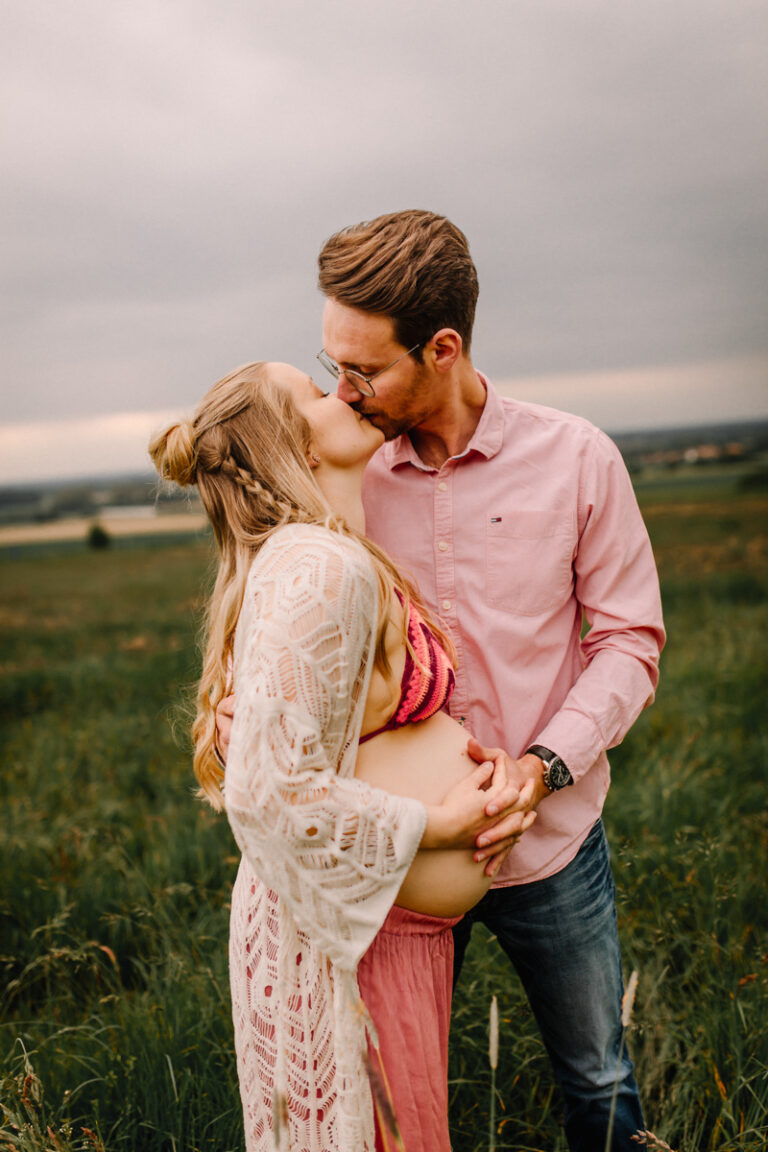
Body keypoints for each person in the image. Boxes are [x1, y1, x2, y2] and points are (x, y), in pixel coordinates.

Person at [307, 209, 666, 1151]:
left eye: (364, 371)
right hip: (404, 856)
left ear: (444, 348)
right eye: (332, 365)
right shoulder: (341, 473)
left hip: (553, 842)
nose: (342, 393)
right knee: (393, 1101)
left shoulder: (578, 457)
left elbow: (629, 642)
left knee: (598, 1078)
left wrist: (541, 769)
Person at [149, 361, 533, 1152]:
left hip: (377, 927)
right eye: (316, 394)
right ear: (292, 445)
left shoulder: (327, 554)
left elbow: (327, 735)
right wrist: (438, 822)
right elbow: (269, 791)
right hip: (353, 936)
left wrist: (483, 770)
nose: (346, 393)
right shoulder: (321, 568)